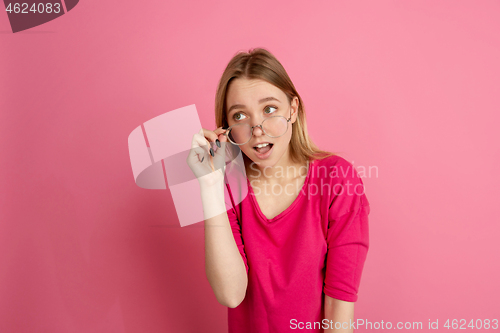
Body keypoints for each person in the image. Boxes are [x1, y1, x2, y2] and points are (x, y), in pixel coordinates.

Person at [187, 48, 370, 333]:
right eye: (240, 116)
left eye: (269, 109)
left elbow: (339, 310)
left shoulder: (337, 179)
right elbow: (230, 294)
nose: (257, 128)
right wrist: (210, 184)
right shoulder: (227, 186)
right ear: (227, 129)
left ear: (293, 110)